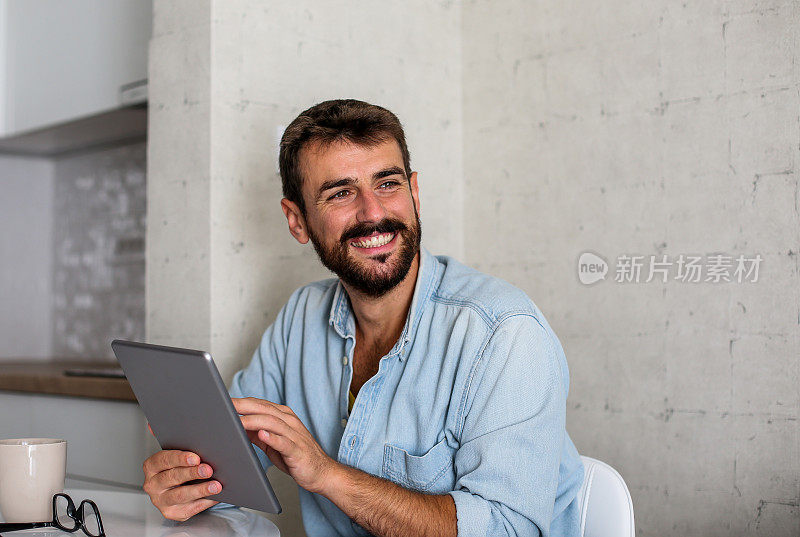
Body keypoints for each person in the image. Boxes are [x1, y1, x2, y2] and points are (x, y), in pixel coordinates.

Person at [141, 99, 584, 537]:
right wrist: (189, 483)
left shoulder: (503, 333)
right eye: (341, 193)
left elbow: (509, 530)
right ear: (297, 221)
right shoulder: (300, 318)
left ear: (414, 191)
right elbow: (230, 470)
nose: (373, 213)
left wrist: (326, 474)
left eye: (388, 184)